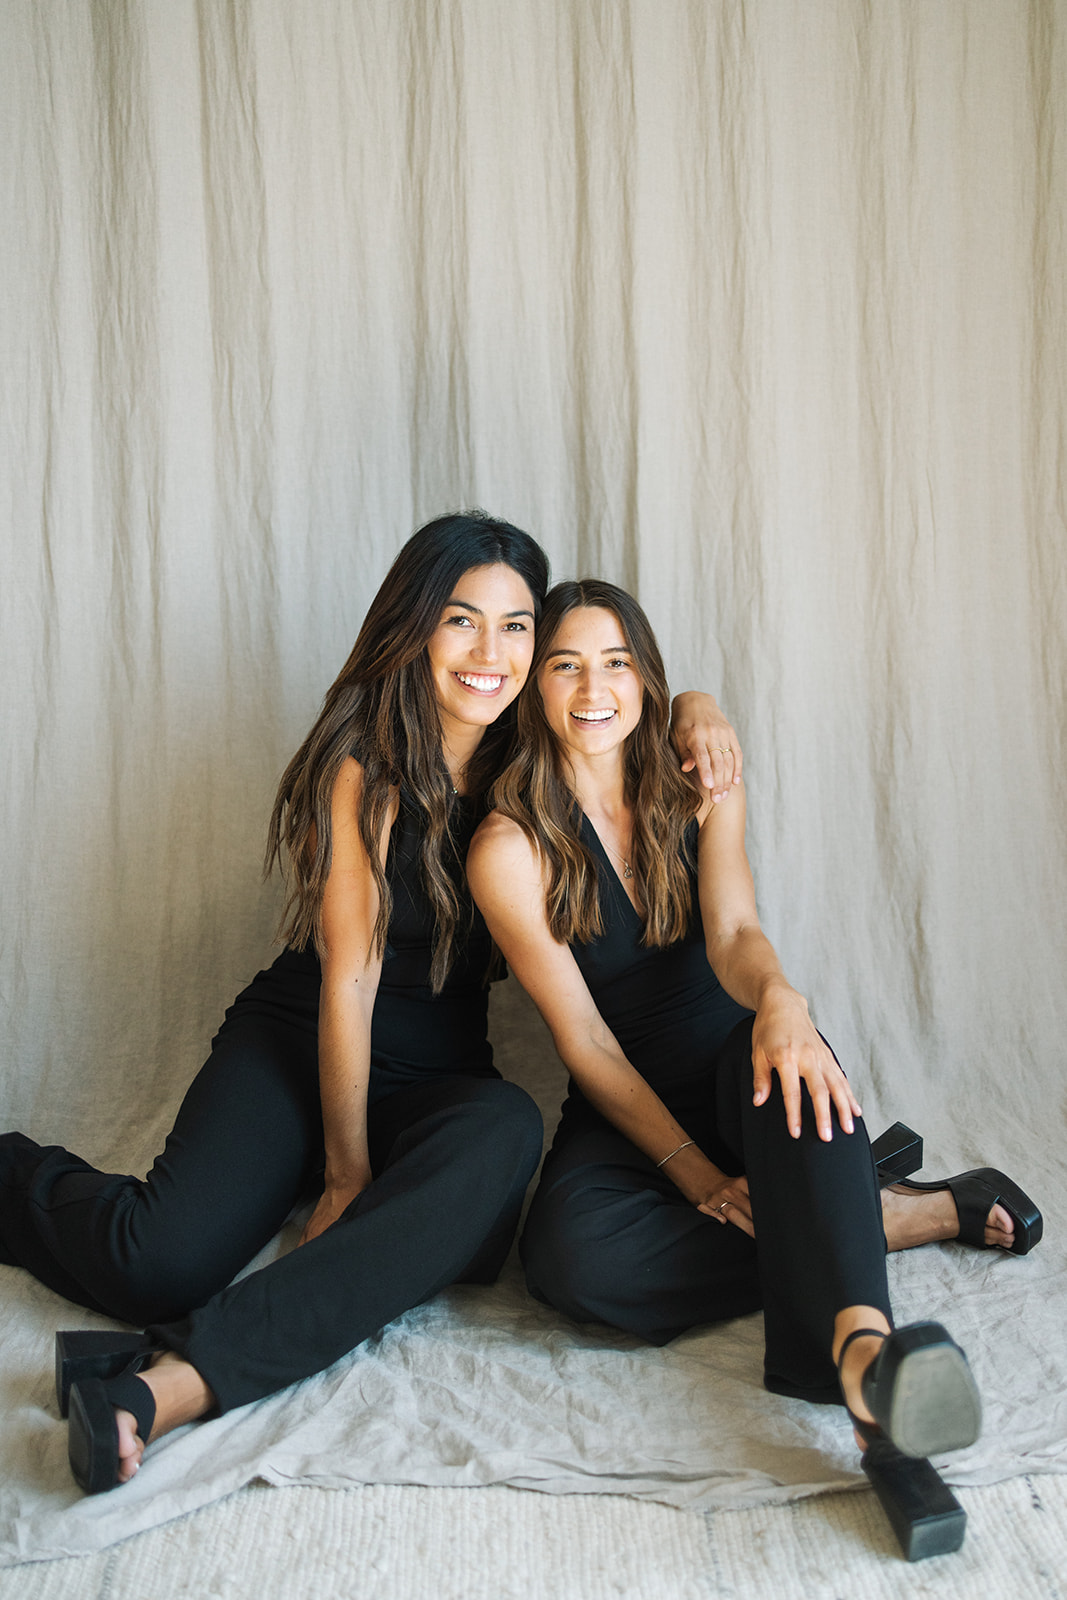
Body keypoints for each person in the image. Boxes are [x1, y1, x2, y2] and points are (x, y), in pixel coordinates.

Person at [0, 515, 741, 1493]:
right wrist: (346, 1174)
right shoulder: (366, 764)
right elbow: (347, 981)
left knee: (503, 1135)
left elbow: (620, 690)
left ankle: (171, 1375)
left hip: (433, 1074)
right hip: (302, 1041)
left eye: (516, 628)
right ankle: (139, 1324)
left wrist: (696, 703)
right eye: (462, 621)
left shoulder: (535, 739)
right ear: (416, 625)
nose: (492, 654)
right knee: (157, 1263)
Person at [466, 578, 1040, 1468]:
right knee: (570, 1266)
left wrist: (781, 1001)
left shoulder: (698, 783)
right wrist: (693, 1173)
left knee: (794, 1075)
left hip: (743, 1060)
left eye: (615, 664)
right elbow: (585, 1041)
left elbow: (734, 932)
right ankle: (887, 1215)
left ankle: (865, 1360)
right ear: (533, 686)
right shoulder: (508, 847)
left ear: (647, 678)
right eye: (565, 666)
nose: (592, 691)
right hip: (626, 1105)